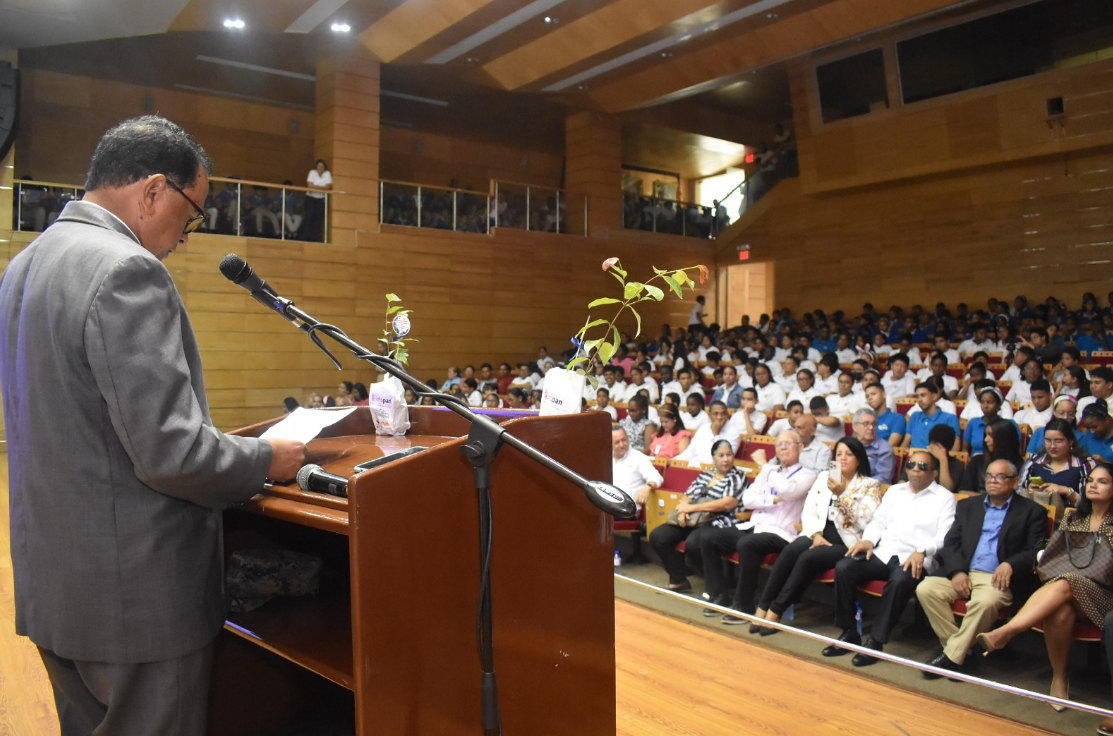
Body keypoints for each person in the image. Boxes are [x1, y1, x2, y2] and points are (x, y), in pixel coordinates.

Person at [0, 116, 307, 736]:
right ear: (154, 191)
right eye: (192, 216)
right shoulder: (124, 269)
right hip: (133, 603)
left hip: (57, 589)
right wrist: (266, 458)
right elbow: (172, 454)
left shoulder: (23, 267)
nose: (187, 238)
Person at [978, 464, 1113, 711]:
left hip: (1105, 596)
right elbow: (1055, 555)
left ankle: (1008, 631)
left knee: (1066, 581)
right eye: (1091, 480)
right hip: (1067, 590)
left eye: (1102, 482)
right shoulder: (1074, 517)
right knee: (1060, 610)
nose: (1093, 485)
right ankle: (1059, 679)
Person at [916, 459, 1047, 678]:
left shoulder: (1032, 511)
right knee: (926, 589)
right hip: (965, 571)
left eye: (1000, 476)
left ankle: (951, 657)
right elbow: (951, 543)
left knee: (985, 602)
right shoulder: (968, 506)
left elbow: (1035, 550)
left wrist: (1011, 564)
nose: (993, 481)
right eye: (989, 476)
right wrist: (957, 572)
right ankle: (961, 654)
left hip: (997, 577)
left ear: (1015, 482)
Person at [824, 450, 956, 666]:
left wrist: (922, 550)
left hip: (915, 558)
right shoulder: (895, 491)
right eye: (911, 464)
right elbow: (878, 521)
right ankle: (849, 632)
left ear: (934, 473)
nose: (915, 469)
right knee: (844, 567)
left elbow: (945, 535)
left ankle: (875, 642)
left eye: (922, 466)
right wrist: (868, 540)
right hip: (884, 552)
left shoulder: (945, 498)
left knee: (900, 581)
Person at [749, 437, 881, 635]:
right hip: (818, 532)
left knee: (808, 558)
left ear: (859, 459)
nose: (843, 458)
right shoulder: (825, 477)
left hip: (846, 542)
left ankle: (776, 611)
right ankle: (762, 606)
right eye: (839, 454)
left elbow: (866, 520)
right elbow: (809, 510)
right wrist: (816, 534)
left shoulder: (870, 485)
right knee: (790, 551)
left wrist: (842, 494)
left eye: (849, 454)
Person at [700, 431, 816, 621]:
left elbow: (787, 491)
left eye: (788, 443)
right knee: (708, 537)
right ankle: (719, 594)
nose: (783, 447)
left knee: (748, 544)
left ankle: (743, 604)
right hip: (754, 526)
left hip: (781, 533)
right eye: (779, 444)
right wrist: (774, 499)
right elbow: (748, 499)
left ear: (801, 447)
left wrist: (764, 465)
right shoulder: (771, 471)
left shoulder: (807, 475)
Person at [648, 440, 748, 592]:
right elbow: (687, 496)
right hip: (693, 520)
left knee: (693, 543)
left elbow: (727, 503)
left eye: (729, 455)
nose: (726, 459)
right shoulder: (706, 475)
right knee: (658, 536)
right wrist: (683, 511)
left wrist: (692, 508)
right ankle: (679, 579)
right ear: (713, 458)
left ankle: (719, 585)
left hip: (718, 522)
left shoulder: (737, 477)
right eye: (721, 455)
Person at [1019, 417, 1097, 517]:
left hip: (1072, 519)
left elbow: (1092, 503)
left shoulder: (1085, 465)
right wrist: (1029, 489)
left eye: (1058, 441)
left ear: (1070, 442)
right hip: (1034, 517)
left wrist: (1067, 491)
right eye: (1048, 440)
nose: (1052, 446)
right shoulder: (1033, 462)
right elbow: (1017, 492)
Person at [959, 418, 1024, 494]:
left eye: (991, 435)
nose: (986, 440)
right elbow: (963, 492)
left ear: (1004, 438)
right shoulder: (977, 461)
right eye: (986, 435)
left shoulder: (1021, 467)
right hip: (976, 502)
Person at [610, 426, 663, 515]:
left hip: (627, 510)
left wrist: (647, 487)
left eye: (624, 440)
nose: (622, 445)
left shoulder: (638, 458)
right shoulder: (607, 458)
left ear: (628, 438)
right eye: (617, 442)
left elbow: (656, 477)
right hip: (609, 506)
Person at [675, 401, 741, 464]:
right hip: (694, 465)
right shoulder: (703, 428)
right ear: (709, 415)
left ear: (727, 415)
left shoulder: (734, 433)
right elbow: (690, 452)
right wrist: (674, 461)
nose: (719, 417)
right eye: (716, 414)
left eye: (723, 414)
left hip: (714, 468)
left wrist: (716, 434)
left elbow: (723, 459)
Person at [962, 386, 1020, 456]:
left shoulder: (1008, 425)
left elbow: (1016, 450)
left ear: (998, 405)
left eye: (989, 402)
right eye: (982, 402)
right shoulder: (973, 423)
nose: (985, 406)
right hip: (975, 460)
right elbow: (965, 449)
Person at [903, 382, 960, 450]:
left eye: (923, 395)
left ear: (934, 396)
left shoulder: (950, 418)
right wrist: (905, 450)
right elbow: (905, 443)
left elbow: (955, 449)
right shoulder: (914, 416)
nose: (919, 400)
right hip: (913, 456)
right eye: (917, 396)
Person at [852, 408, 896, 483]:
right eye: (866, 424)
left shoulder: (884, 449)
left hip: (870, 488)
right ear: (855, 427)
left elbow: (883, 479)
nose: (871, 428)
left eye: (874, 424)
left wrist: (858, 484)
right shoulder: (848, 446)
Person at [865, 383, 905, 447]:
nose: (870, 398)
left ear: (884, 395)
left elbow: (890, 446)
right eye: (867, 396)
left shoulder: (897, 418)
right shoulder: (865, 419)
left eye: (873, 394)